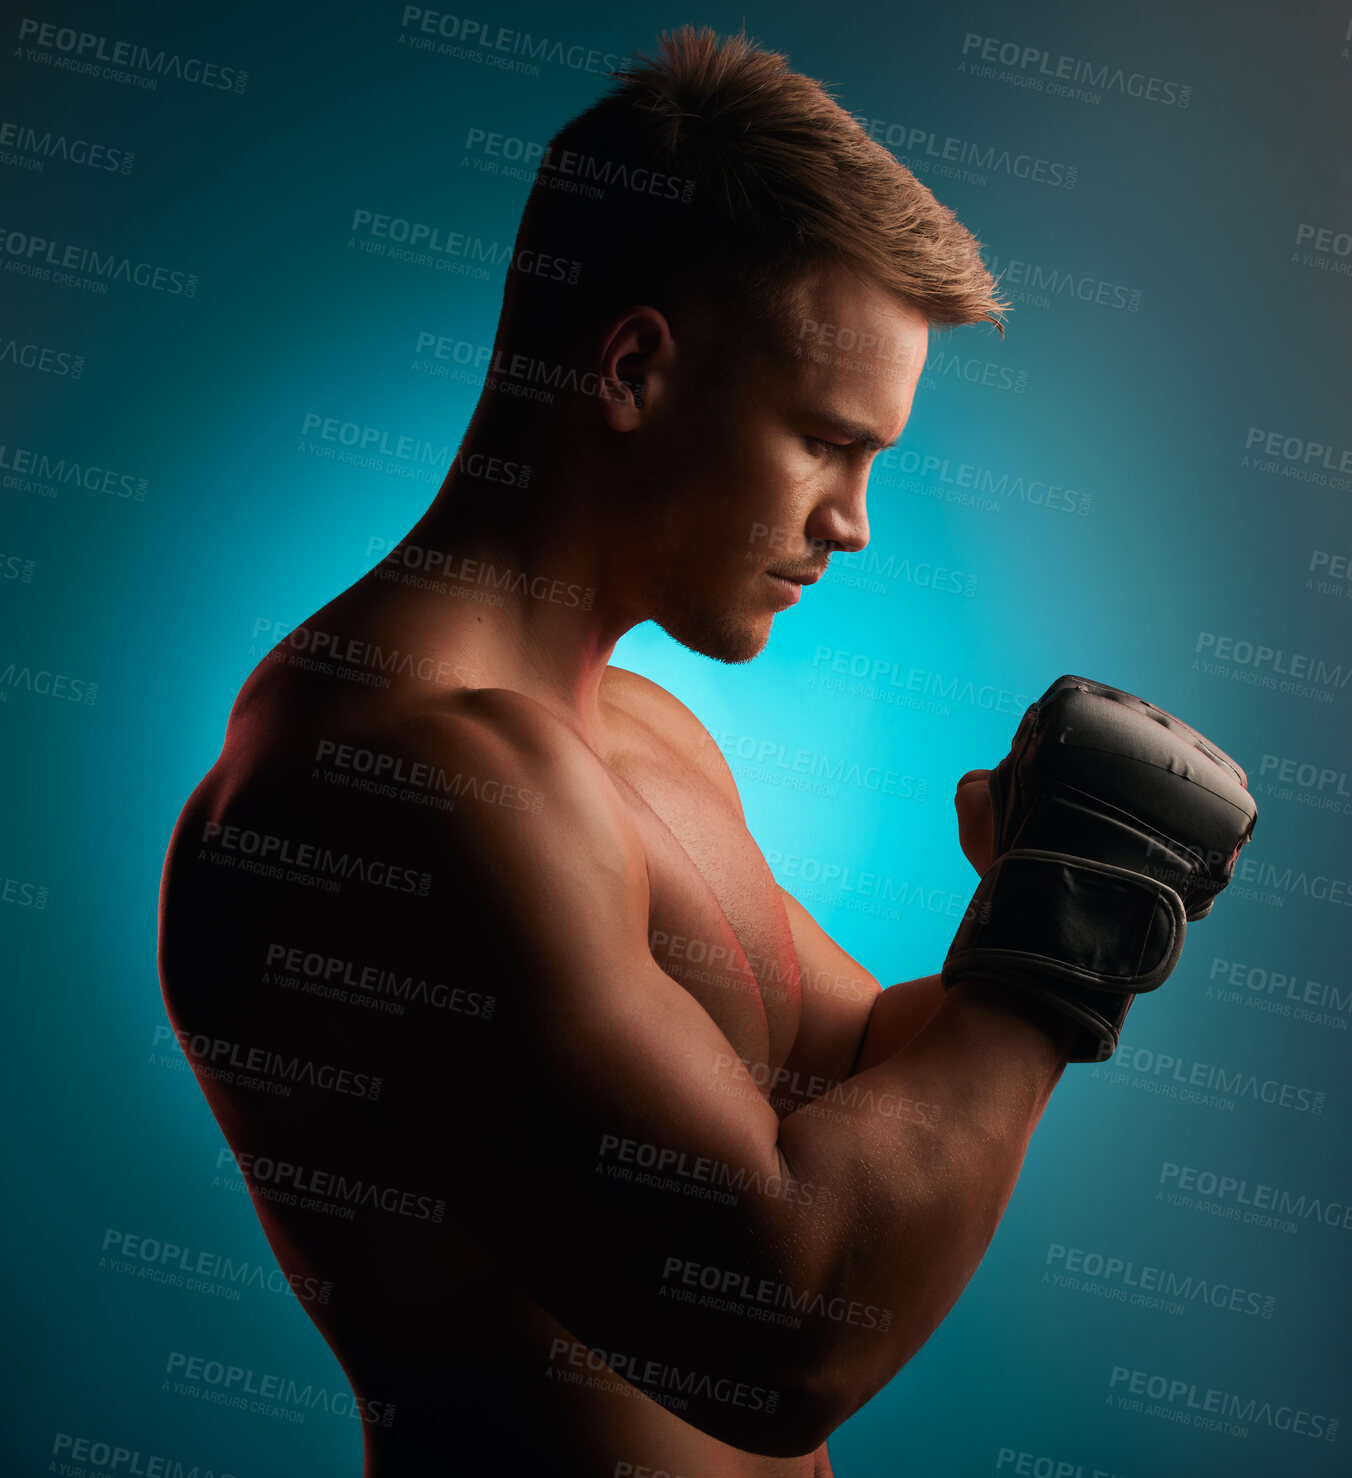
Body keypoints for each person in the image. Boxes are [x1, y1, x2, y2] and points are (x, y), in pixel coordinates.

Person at [158, 27, 1254, 1476]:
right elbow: (786, 1325)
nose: (854, 520)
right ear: (631, 366)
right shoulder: (399, 779)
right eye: (823, 441)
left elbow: (852, 1067)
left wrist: (1053, 896)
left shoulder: (641, 736)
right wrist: (1056, 955)